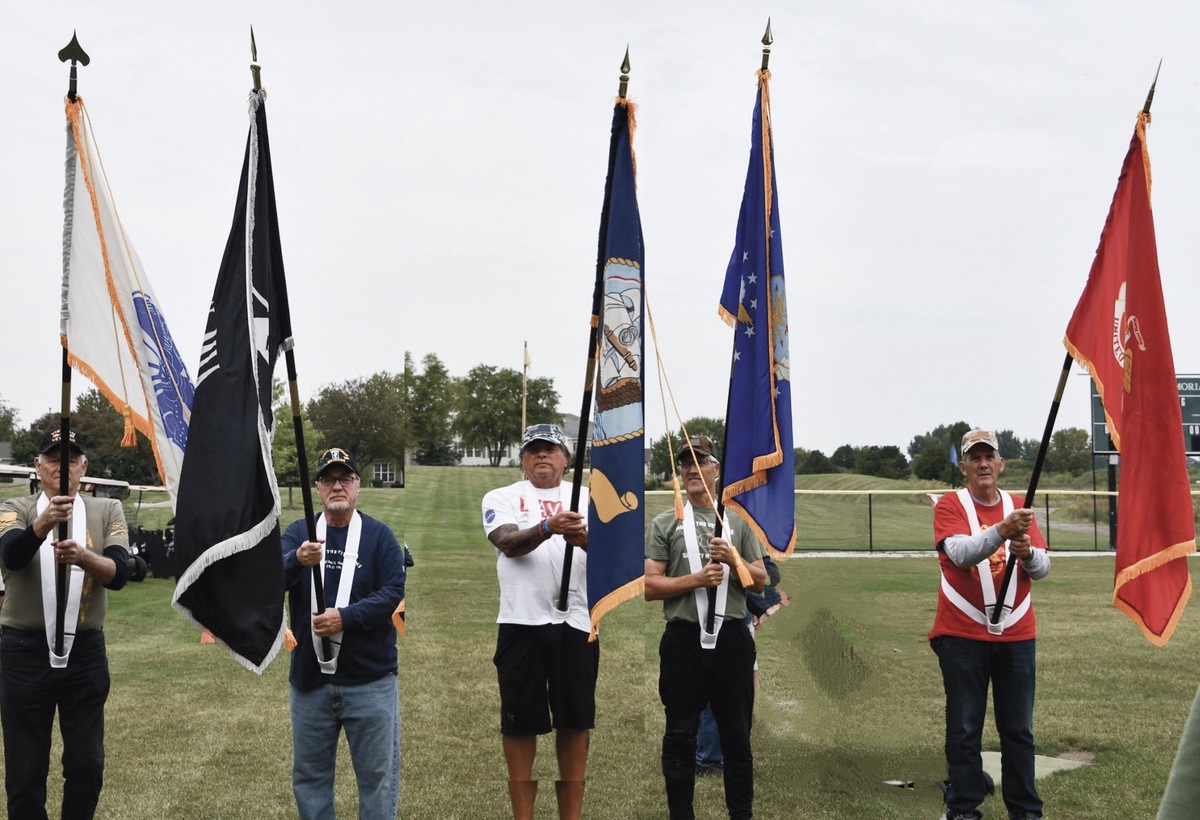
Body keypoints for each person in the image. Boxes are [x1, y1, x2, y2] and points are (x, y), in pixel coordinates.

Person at [0, 429, 130, 819]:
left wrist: (84, 557)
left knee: (86, 764)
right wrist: (43, 524)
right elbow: (11, 556)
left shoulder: (106, 510)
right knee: (25, 769)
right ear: (38, 467)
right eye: (53, 459)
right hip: (24, 650)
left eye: (70, 460)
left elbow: (120, 572)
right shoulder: (16, 505)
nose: (62, 467)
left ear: (83, 468)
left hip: (85, 652)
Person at [645, 435, 767, 820]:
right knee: (680, 736)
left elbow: (761, 580)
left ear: (716, 470)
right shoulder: (665, 522)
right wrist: (695, 580)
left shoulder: (740, 522)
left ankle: (740, 814)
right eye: (685, 463)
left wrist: (733, 557)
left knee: (736, 738)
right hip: (683, 640)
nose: (692, 469)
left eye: (701, 462)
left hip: (731, 638)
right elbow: (650, 585)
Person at [931, 429, 1051, 820]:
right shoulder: (950, 505)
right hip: (961, 632)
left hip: (1017, 633)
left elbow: (1043, 568)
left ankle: (1026, 811)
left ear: (1000, 464)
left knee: (1019, 731)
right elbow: (961, 553)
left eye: (990, 456)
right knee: (964, 730)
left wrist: (1028, 551)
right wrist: (1003, 530)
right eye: (975, 457)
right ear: (963, 466)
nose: (983, 463)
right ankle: (964, 808)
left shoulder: (1019, 506)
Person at [282, 447, 407, 820]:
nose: (338, 485)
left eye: (346, 478)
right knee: (310, 778)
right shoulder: (298, 533)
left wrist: (345, 618)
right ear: (318, 488)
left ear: (357, 487)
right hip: (310, 681)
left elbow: (392, 593)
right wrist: (296, 560)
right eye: (328, 479)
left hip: (369, 680)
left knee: (377, 780)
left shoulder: (379, 536)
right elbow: (272, 575)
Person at [481, 423, 593, 820]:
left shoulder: (589, 499)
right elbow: (508, 543)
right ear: (522, 459)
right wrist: (549, 527)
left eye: (551, 449)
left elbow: (616, 560)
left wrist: (586, 541)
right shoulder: (503, 496)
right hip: (520, 622)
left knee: (575, 719)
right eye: (533, 450)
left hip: (577, 623)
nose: (542, 455)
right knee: (519, 721)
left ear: (566, 458)